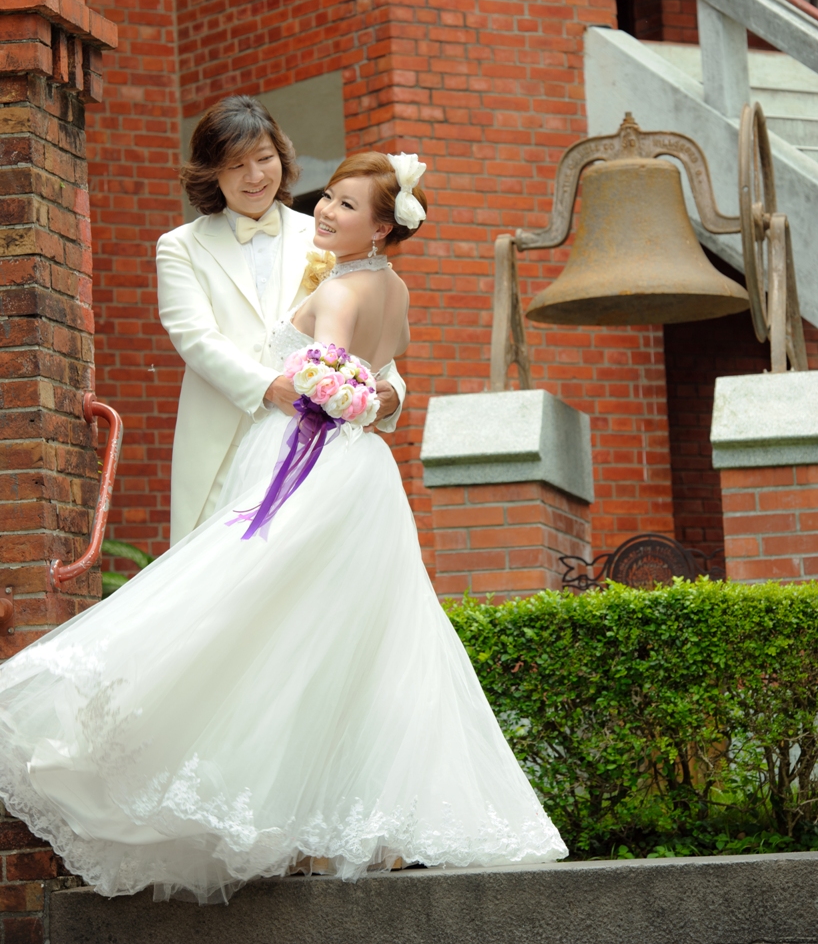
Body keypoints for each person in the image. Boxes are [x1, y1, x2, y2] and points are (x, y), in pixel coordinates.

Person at [0, 152, 567, 905]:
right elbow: (372, 372)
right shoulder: (392, 286)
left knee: (254, 613)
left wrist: (341, 394)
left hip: (309, 461)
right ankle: (336, 823)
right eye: (328, 198)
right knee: (348, 638)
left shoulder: (338, 285)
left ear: (381, 227)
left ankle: (226, 787)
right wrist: (365, 400)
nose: (324, 210)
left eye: (346, 205)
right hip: (365, 472)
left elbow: (333, 378)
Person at [156, 96, 404, 545]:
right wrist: (270, 387)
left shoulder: (327, 232)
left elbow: (366, 323)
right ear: (212, 171)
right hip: (219, 442)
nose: (255, 176)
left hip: (311, 448)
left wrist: (392, 392)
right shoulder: (180, 247)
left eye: (265, 158)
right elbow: (195, 338)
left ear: (282, 157)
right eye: (236, 165)